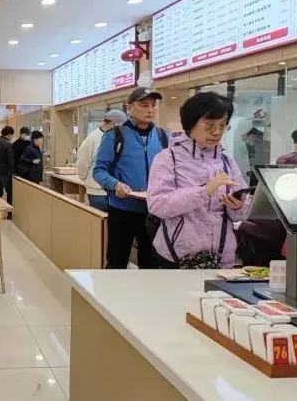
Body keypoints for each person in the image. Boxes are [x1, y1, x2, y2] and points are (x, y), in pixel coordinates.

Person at [148, 91, 247, 270]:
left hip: (221, 257)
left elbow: (240, 213)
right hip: (178, 256)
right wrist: (203, 191)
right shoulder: (168, 158)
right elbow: (157, 205)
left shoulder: (227, 161)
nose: (217, 132)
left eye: (222, 125)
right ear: (191, 123)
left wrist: (238, 207)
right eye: (209, 125)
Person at [92, 88, 169, 269]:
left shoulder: (162, 136)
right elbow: (99, 171)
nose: (150, 110)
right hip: (122, 210)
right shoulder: (115, 135)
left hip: (154, 211)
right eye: (144, 105)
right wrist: (115, 184)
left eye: (153, 105)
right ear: (130, 107)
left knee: (151, 264)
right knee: (117, 261)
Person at [77, 110, 129, 211]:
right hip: (98, 192)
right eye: (122, 126)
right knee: (101, 219)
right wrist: (85, 179)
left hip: (115, 190)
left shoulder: (118, 138)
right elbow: (82, 162)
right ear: (113, 124)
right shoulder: (92, 138)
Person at [0, 126, 16, 202]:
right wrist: (12, 171)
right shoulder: (8, 144)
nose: (12, 137)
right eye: (12, 135)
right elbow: (10, 160)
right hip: (5, 172)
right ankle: (9, 208)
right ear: (9, 135)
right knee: (9, 193)